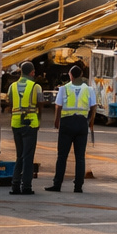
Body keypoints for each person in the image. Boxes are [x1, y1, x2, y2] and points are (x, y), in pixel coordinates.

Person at [46, 65, 94, 193]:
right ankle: (78, 187)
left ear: (70, 75)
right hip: (82, 123)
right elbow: (93, 107)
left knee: (62, 156)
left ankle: (57, 185)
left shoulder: (64, 89)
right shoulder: (89, 89)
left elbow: (58, 106)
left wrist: (57, 121)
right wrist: (91, 122)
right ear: (82, 74)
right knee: (80, 157)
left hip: (67, 123)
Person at [4, 61, 42, 195]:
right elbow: (40, 103)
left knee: (19, 155)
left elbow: (10, 102)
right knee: (28, 156)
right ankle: (26, 187)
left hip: (16, 124)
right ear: (31, 72)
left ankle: (15, 185)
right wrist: (38, 120)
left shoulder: (12, 86)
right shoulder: (35, 87)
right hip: (30, 124)